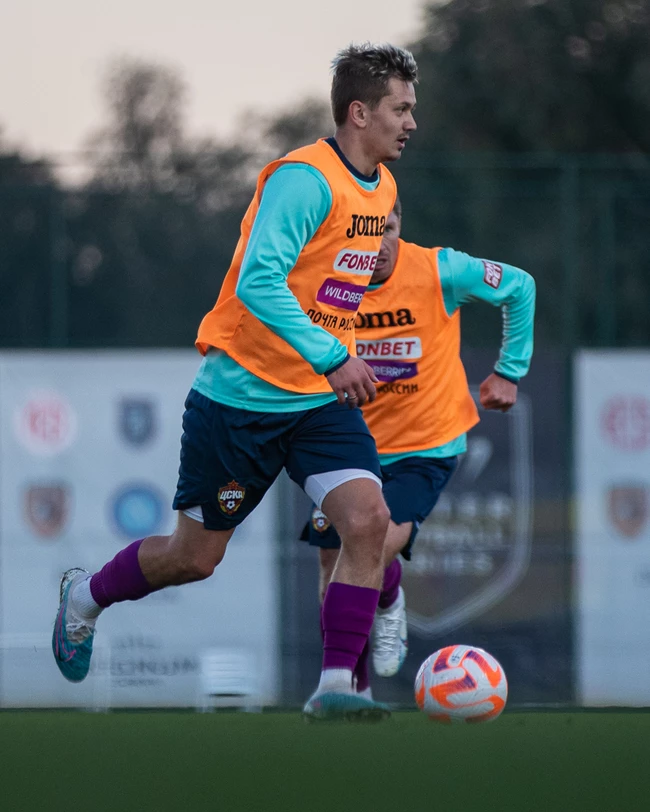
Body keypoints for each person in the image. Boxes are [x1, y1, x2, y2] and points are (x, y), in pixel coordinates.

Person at [52, 43, 418, 722]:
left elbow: (330, 282)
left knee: (368, 523)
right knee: (193, 559)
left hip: (316, 403)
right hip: (240, 401)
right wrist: (332, 354)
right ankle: (85, 598)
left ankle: (337, 685)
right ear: (359, 113)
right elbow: (258, 283)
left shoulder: (384, 189)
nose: (411, 122)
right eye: (400, 108)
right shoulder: (302, 180)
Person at [302, 196, 536, 696]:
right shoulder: (321, 283)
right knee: (332, 562)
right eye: (369, 232)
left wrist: (509, 370)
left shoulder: (440, 270)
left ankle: (382, 608)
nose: (380, 243)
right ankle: (354, 690)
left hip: (424, 447)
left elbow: (520, 286)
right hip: (347, 445)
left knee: (368, 546)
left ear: (400, 225)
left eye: (389, 228)